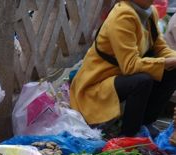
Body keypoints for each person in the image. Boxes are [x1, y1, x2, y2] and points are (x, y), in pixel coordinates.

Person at [70, 0, 176, 137]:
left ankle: (145, 124)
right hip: (96, 85)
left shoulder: (150, 12)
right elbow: (130, 66)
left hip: (121, 77)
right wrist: (167, 61)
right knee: (142, 80)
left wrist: (172, 60)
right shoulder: (123, 16)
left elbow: (160, 48)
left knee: (172, 70)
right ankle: (128, 135)